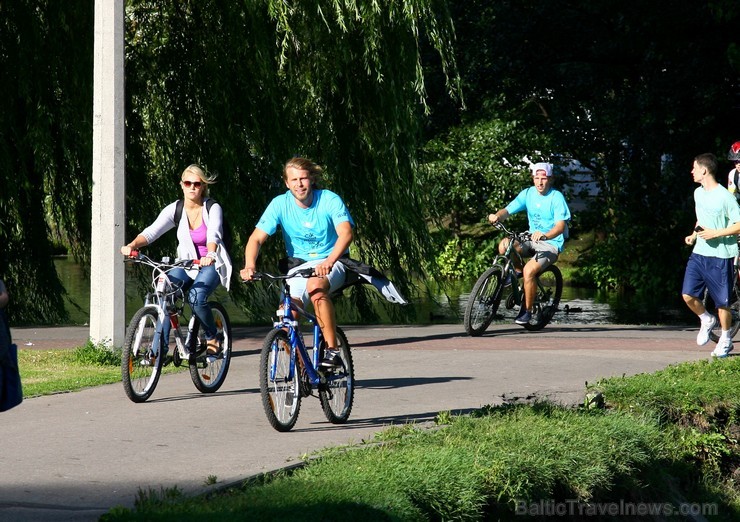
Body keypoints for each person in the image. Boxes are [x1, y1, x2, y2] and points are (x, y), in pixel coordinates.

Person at [240, 157, 354, 369]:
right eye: (294, 180)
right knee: (285, 318)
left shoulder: (328, 199)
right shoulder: (279, 204)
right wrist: (249, 266)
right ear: (286, 183)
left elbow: (346, 234)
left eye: (303, 178)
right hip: (299, 266)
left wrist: (329, 261)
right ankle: (304, 371)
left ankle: (332, 351)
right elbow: (255, 239)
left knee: (316, 287)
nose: (299, 184)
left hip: (334, 261)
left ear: (311, 179)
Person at [120, 164, 232, 361]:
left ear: (203, 187)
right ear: (182, 185)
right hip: (187, 264)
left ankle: (212, 336)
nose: (192, 188)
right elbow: (152, 231)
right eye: (188, 183)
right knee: (164, 293)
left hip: (211, 262)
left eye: (197, 184)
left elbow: (214, 233)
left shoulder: (212, 208)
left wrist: (211, 254)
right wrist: (132, 245)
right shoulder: (176, 208)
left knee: (197, 297)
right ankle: (160, 350)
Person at [487, 162, 571, 326]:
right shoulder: (528, 194)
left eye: (544, 178)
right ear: (533, 178)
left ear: (550, 179)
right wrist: (497, 216)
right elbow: (508, 210)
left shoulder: (556, 197)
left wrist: (546, 235)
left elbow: (560, 227)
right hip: (531, 238)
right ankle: (517, 271)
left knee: (530, 270)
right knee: (505, 245)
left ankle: (527, 310)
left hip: (550, 243)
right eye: (537, 178)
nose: (540, 182)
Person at [682, 153, 740, 358]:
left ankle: (725, 338)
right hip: (699, 253)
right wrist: (693, 234)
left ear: (704, 171)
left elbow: (739, 224)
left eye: (694, 168)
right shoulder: (698, 193)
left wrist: (716, 233)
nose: (692, 171)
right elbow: (701, 218)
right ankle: (706, 319)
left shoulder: (725, 197)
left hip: (721, 255)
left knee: (722, 302)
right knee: (687, 295)